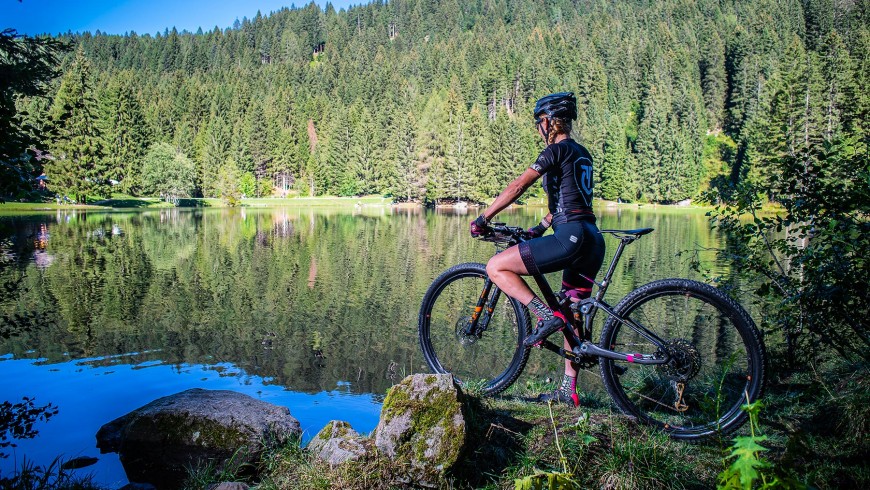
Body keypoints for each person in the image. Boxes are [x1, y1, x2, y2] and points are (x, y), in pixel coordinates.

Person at [469, 92, 605, 407]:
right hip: (591, 237)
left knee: (496, 266)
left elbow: (519, 185)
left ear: (547, 122)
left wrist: (484, 217)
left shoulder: (556, 150)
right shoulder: (582, 153)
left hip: (570, 237)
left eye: (538, 123)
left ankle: (545, 315)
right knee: (573, 312)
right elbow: (570, 199)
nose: (537, 129)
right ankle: (569, 390)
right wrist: (541, 228)